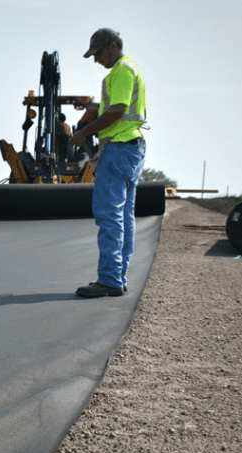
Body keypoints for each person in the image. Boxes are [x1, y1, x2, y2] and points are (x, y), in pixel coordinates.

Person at [70, 28, 147, 297]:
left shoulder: (122, 71)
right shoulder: (128, 69)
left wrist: (85, 132)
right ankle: (117, 277)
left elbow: (117, 110)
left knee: (109, 214)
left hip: (119, 149)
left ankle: (110, 279)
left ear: (113, 46)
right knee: (124, 217)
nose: (96, 60)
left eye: (98, 53)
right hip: (130, 149)